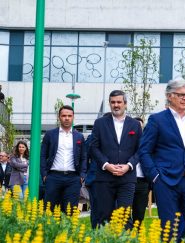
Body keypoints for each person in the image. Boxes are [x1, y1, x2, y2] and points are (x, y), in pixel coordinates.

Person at [139, 78, 185, 243]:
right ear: (169, 96)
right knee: (170, 226)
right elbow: (144, 151)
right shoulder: (157, 120)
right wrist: (155, 177)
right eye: (181, 95)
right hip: (166, 181)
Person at [89, 90, 142, 228]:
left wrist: (129, 165)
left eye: (119, 102)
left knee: (125, 217)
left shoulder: (135, 125)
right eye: (113, 102)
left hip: (127, 177)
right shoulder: (100, 123)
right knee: (104, 216)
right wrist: (106, 165)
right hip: (105, 177)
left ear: (125, 104)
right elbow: (93, 147)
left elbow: (141, 150)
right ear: (109, 104)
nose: (116, 105)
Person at [40, 105, 86, 211]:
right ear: (59, 117)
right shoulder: (50, 134)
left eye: (69, 116)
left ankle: (68, 228)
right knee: (49, 210)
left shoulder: (79, 136)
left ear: (73, 117)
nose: (67, 118)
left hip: (73, 178)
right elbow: (43, 155)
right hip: (53, 177)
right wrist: (44, 175)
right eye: (64, 115)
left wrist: (82, 175)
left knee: (70, 211)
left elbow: (84, 157)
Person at [131, 117, 150, 226]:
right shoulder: (125, 142)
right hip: (127, 180)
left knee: (139, 212)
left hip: (143, 181)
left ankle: (137, 235)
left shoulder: (146, 143)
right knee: (124, 212)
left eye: (141, 126)